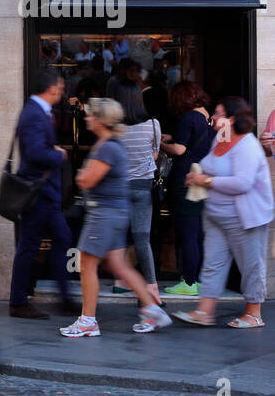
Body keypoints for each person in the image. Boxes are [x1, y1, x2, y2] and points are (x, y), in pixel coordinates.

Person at [59, 99, 171, 337]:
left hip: (104, 213)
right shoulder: (110, 144)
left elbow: (86, 181)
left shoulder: (108, 147)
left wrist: (82, 173)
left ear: (100, 120)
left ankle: (88, 320)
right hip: (114, 212)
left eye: (90, 115)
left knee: (88, 265)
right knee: (120, 265)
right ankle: (152, 310)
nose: (87, 118)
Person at [175, 97, 273, 329]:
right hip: (217, 215)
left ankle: (254, 313)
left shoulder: (247, 145)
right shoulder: (220, 138)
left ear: (232, 119)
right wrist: (196, 176)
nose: (212, 117)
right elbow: (211, 165)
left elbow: (243, 183)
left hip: (244, 217)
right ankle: (204, 311)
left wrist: (205, 180)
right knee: (213, 264)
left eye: (218, 114)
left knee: (251, 265)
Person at [8, 68, 74, 318]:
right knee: (29, 246)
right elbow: (35, 153)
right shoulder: (35, 114)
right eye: (59, 87)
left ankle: (63, 297)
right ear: (51, 89)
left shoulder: (38, 112)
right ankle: (18, 301)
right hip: (38, 193)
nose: (61, 91)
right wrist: (59, 154)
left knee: (61, 237)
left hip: (44, 193)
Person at [105, 78, 161, 301]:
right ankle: (152, 288)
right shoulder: (153, 124)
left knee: (118, 236)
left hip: (118, 188)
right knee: (141, 238)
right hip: (142, 188)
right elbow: (155, 155)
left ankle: (120, 281)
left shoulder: (112, 128)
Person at [161, 82, 212, 296]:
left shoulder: (188, 117)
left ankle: (188, 282)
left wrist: (160, 144)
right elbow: (193, 140)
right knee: (197, 232)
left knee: (187, 233)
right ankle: (197, 279)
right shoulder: (206, 116)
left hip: (185, 179)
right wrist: (173, 137)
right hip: (201, 176)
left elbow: (180, 150)